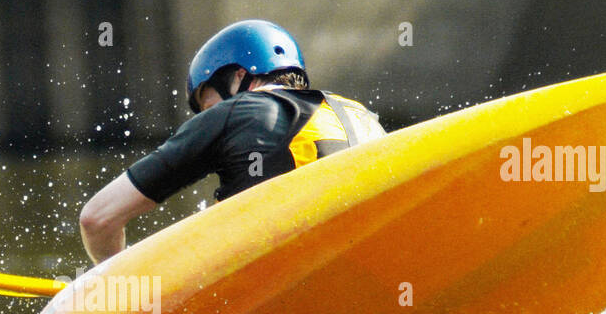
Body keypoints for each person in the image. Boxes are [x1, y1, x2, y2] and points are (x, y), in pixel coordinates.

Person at [78, 19, 386, 264]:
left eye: (208, 106)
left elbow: (97, 219)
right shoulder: (363, 116)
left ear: (238, 76)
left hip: (281, 290)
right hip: (371, 270)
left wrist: (119, 291)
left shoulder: (236, 112)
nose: (207, 115)